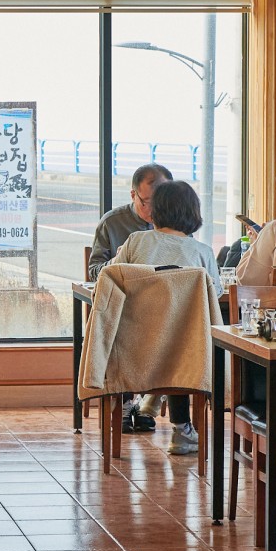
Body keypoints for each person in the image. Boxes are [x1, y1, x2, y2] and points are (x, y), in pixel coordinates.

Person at [111, 180, 223, 455]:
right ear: (193, 212)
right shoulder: (202, 252)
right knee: (182, 341)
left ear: (156, 210)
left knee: (166, 338)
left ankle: (147, 399)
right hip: (183, 356)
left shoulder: (135, 242)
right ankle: (182, 430)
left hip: (134, 351)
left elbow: (111, 278)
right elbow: (215, 294)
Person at [88, 163, 173, 433]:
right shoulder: (113, 223)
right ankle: (128, 403)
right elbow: (94, 271)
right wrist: (120, 261)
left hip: (165, 308)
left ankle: (156, 399)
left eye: (161, 201)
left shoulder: (176, 221)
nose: (154, 210)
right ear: (133, 195)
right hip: (125, 309)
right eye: (147, 202)